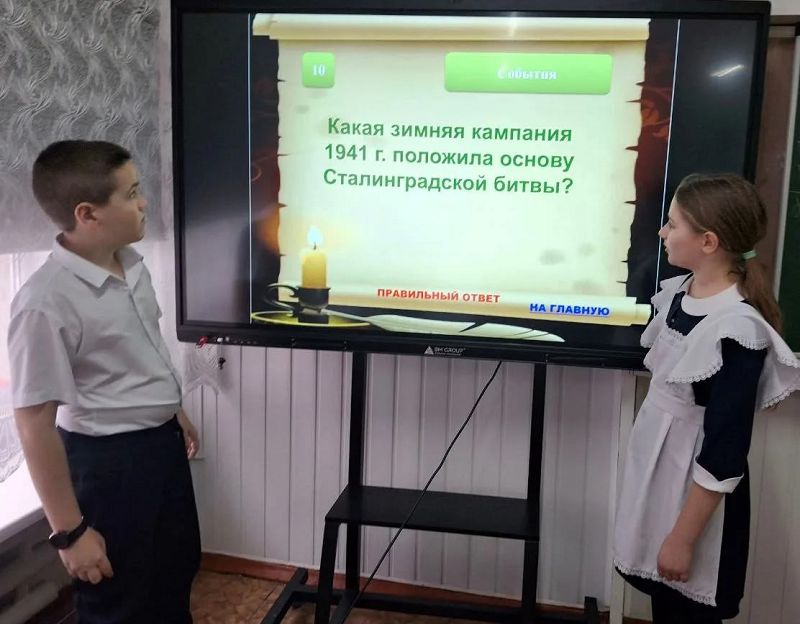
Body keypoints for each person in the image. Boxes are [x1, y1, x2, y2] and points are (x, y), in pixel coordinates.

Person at [8, 140, 201, 623]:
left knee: (174, 574)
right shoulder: (44, 303)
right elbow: (33, 424)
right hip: (109, 465)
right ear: (88, 214)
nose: (144, 202)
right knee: (120, 600)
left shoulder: (131, 265)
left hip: (161, 447)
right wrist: (70, 533)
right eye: (131, 193)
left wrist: (173, 410)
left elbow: (142, 349)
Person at [614, 173, 800, 623]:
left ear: (709, 242)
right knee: (664, 603)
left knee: (687, 606)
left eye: (673, 224)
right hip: (660, 480)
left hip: (695, 501)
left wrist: (683, 538)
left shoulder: (737, 330)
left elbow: (724, 450)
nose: (663, 232)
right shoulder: (680, 295)